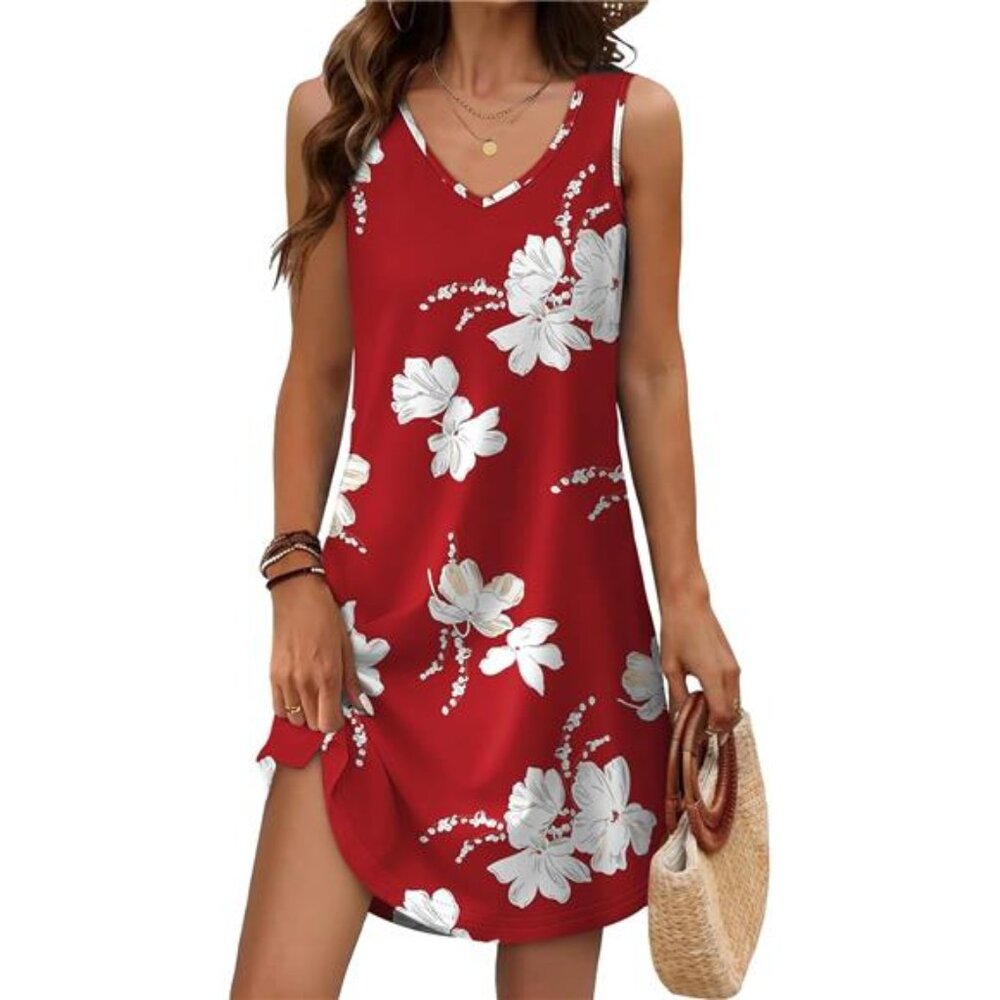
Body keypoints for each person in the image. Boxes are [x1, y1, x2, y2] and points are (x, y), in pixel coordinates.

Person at [231, 2, 742, 997]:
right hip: (368, 640)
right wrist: (293, 574)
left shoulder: (631, 124)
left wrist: (686, 595)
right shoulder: (335, 119)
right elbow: (317, 373)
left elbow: (650, 372)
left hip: (564, 645)